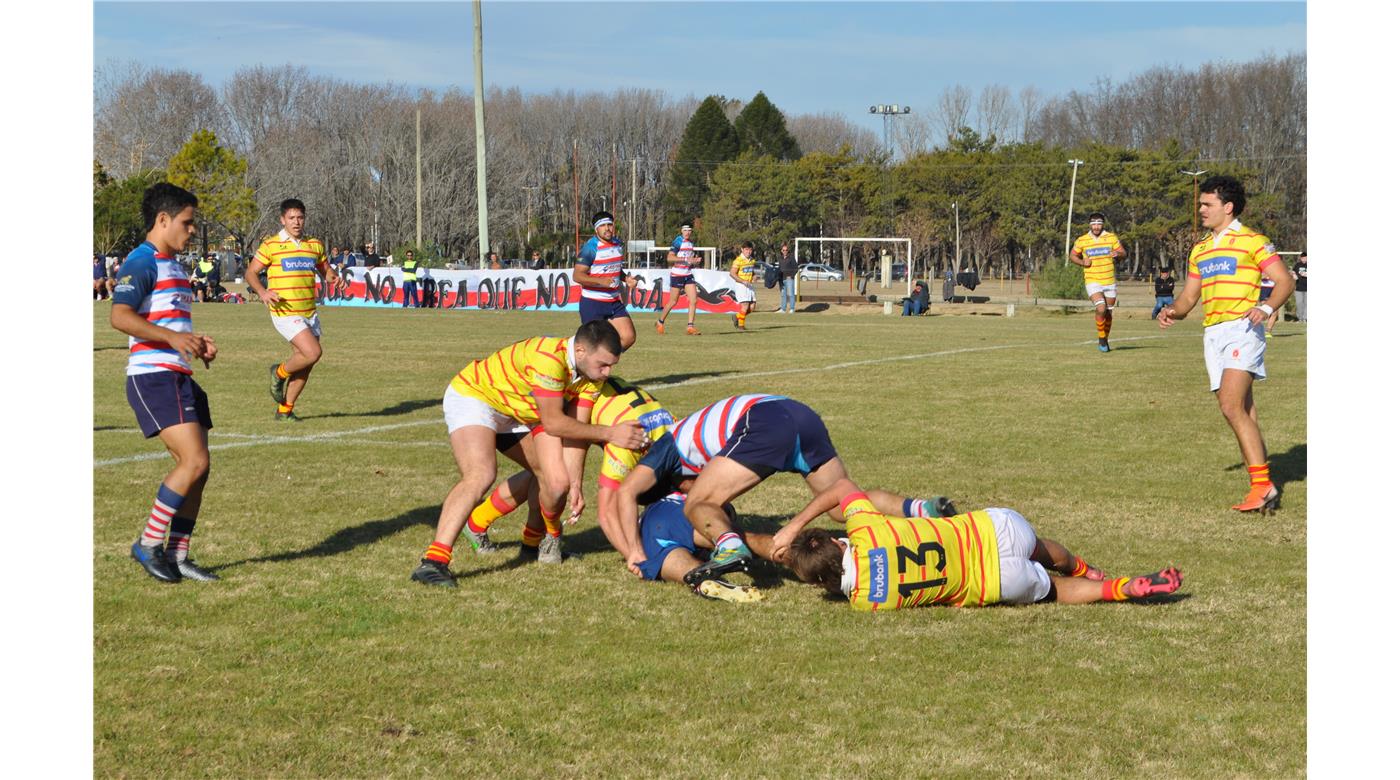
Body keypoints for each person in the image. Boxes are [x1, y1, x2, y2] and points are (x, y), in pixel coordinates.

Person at [614, 394, 954, 585]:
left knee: (698, 504)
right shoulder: (696, 446)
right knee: (843, 504)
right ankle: (924, 510)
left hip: (765, 421)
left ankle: (730, 549)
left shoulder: (665, 449)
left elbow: (626, 492)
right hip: (800, 414)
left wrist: (634, 551)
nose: (686, 488)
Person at [410, 320, 647, 586]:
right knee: (481, 474)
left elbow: (576, 430)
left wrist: (576, 484)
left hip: (524, 412)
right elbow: (555, 423)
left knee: (556, 482)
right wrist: (610, 433)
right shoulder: (548, 360)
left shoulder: (591, 378)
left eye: (612, 366)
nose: (607, 372)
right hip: (478, 396)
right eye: (602, 364)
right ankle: (433, 562)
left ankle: (533, 544)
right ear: (580, 351)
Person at [776, 477, 1183, 610]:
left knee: (1054, 592)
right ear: (838, 542)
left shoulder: (868, 601)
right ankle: (1082, 566)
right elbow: (843, 486)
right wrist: (795, 525)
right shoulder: (866, 532)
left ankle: (1116, 589)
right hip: (989, 529)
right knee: (1042, 548)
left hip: (993, 581)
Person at [1158, 175, 1295, 513]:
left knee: (1231, 406)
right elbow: (1189, 298)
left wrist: (1265, 307)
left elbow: (1284, 281)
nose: (1201, 209)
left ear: (1228, 207)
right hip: (1213, 334)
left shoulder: (1252, 241)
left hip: (1242, 330)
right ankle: (1263, 484)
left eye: (1207, 204)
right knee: (1243, 409)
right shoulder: (1200, 249)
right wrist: (1171, 311)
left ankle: (1262, 486)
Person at [110, 183, 221, 583]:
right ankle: (148, 543)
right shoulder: (142, 261)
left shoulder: (173, 264)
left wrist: (194, 342)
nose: (192, 231)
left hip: (177, 373)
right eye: (187, 223)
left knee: (199, 469)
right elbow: (120, 316)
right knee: (194, 461)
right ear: (163, 219)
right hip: (152, 376)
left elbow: (168, 321)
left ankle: (178, 555)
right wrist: (173, 339)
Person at [464, 375, 676, 565]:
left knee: (546, 474)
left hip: (577, 403)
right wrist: (635, 557)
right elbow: (606, 514)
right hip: (540, 405)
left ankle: (524, 539)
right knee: (551, 477)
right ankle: (481, 524)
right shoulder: (629, 444)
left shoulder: (674, 432)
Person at [245, 198, 339, 422]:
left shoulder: (314, 244)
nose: (296, 222)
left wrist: (335, 278)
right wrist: (263, 292)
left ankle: (285, 410)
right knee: (313, 352)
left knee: (306, 363)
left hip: (309, 310)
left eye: (300, 217)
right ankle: (278, 373)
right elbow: (251, 273)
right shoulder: (271, 245)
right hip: (285, 311)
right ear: (282, 220)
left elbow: (325, 270)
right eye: (291, 218)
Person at [573, 210, 637, 351]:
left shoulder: (617, 244)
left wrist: (626, 278)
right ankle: (581, 369)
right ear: (596, 229)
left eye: (610, 225)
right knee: (591, 347)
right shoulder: (590, 249)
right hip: (593, 303)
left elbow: (615, 269)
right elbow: (577, 276)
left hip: (613, 302)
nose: (607, 228)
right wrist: (601, 281)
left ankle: (602, 363)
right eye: (603, 225)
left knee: (628, 337)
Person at [1069, 212, 1127, 352]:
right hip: (1092, 280)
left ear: (1103, 224)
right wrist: (1083, 262)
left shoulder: (1111, 237)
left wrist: (1117, 254)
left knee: (1108, 313)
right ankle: (1102, 338)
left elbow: (1123, 253)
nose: (1096, 226)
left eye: (1099, 223)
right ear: (1090, 224)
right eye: (1094, 224)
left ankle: (1104, 339)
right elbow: (1072, 255)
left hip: (1109, 281)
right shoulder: (1082, 240)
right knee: (1101, 308)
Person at [656, 222, 702, 336]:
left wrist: (694, 261)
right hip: (677, 275)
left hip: (688, 274)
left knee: (694, 300)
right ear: (681, 231)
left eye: (689, 230)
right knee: (673, 301)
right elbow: (669, 258)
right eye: (685, 230)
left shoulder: (691, 243)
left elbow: (688, 261)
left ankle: (690, 326)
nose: (687, 232)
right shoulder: (678, 241)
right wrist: (686, 258)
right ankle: (660, 321)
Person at [729, 242, 758, 330]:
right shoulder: (738, 260)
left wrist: (754, 276)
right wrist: (742, 281)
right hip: (741, 285)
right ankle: (741, 326)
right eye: (746, 249)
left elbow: (752, 272)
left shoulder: (752, 260)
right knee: (745, 305)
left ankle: (737, 316)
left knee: (752, 307)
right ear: (742, 249)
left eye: (750, 250)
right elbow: (732, 273)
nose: (748, 252)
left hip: (750, 286)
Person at [777, 243, 798, 313]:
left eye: (786, 250)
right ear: (781, 251)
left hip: (789, 279)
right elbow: (779, 268)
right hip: (782, 279)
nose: (785, 251)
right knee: (783, 294)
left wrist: (791, 276)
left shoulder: (791, 257)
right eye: (783, 250)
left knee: (791, 294)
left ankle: (792, 308)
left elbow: (796, 268)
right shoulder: (780, 258)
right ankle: (783, 309)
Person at [1292, 251, 1307, 323]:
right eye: (1302, 258)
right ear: (1301, 258)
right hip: (1298, 287)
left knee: (1307, 303)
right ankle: (1300, 318)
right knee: (1299, 303)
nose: (1304, 259)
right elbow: (1293, 271)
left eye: (1305, 258)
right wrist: (1293, 274)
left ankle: (1305, 318)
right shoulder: (1298, 265)